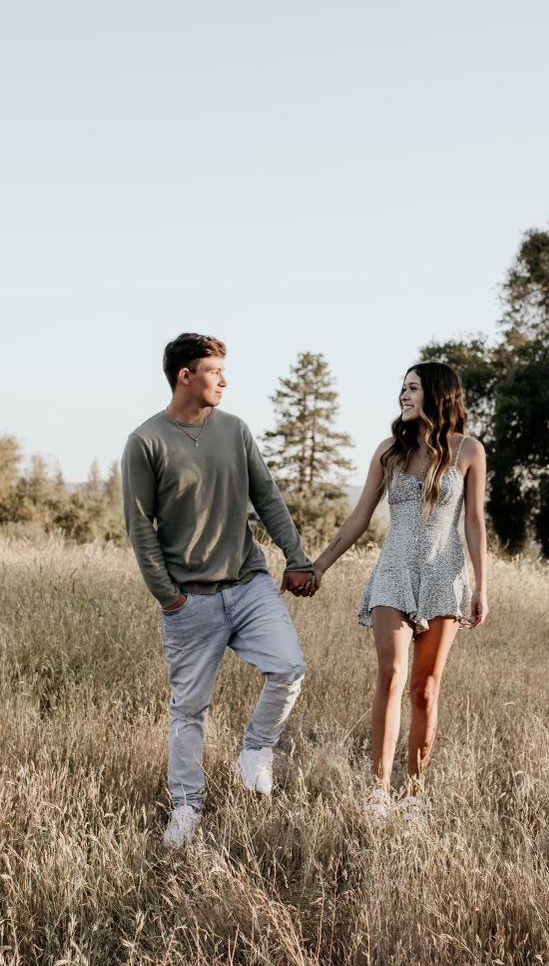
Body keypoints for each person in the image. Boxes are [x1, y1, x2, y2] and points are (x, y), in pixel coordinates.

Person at [121, 333, 316, 848]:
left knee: (289, 667)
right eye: (214, 371)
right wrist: (168, 596)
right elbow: (140, 526)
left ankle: (256, 749)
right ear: (186, 375)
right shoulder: (146, 442)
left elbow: (268, 498)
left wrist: (296, 559)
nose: (225, 380)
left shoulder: (235, 430)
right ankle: (187, 808)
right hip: (190, 600)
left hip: (249, 583)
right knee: (189, 711)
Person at [312, 362, 488, 818]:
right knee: (391, 675)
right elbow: (359, 517)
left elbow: (473, 522)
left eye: (412, 388)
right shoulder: (389, 451)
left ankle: (414, 793)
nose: (403, 396)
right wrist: (319, 566)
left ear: (436, 394)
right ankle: (379, 791)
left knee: (424, 689)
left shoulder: (468, 451)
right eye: (402, 388)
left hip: (444, 575)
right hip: (393, 572)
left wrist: (481, 586)